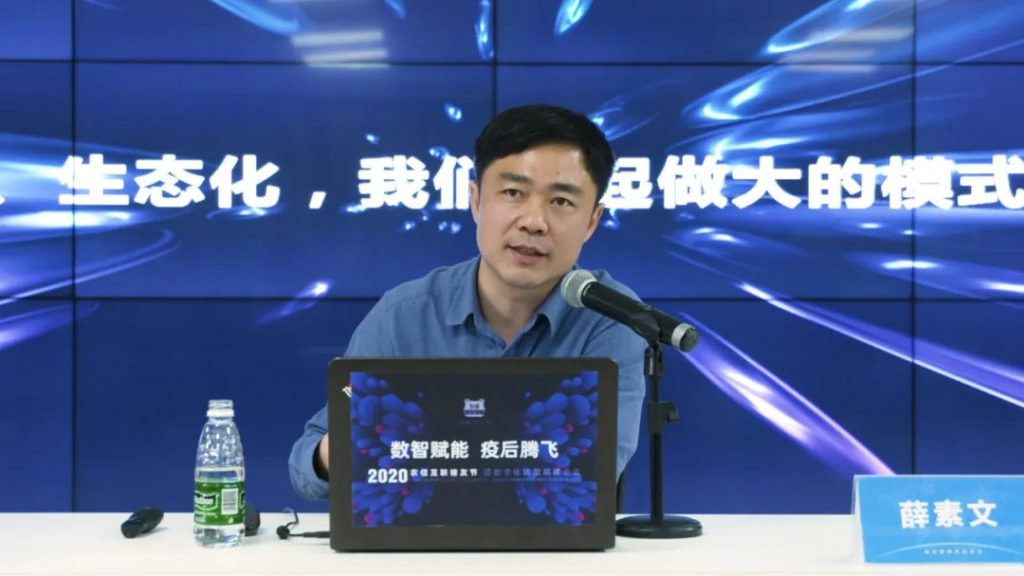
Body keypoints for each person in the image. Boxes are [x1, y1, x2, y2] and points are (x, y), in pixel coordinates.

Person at [289, 104, 647, 500]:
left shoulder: (612, 319)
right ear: (476, 200)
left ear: (592, 221)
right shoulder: (403, 316)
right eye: (513, 193)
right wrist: (341, 449)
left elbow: (592, 473)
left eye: (561, 201)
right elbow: (308, 468)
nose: (533, 221)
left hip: (549, 539)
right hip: (419, 536)